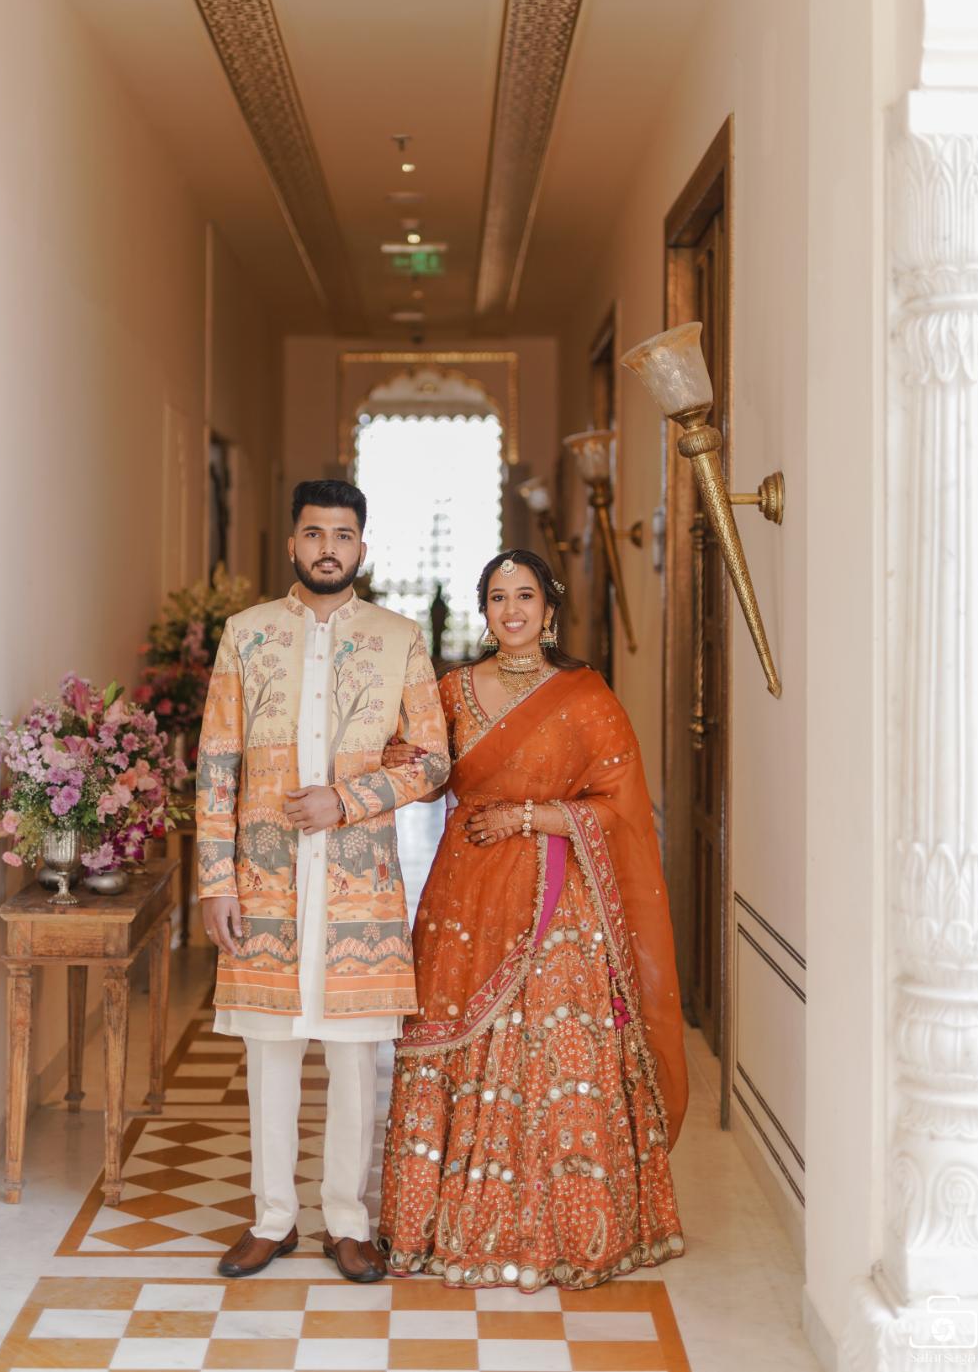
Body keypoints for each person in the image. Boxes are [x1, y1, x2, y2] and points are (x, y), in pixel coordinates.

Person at [379, 548, 687, 1291]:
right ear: (484, 610)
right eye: (497, 596)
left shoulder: (586, 695)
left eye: (524, 595)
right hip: (465, 892)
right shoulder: (451, 690)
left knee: (555, 1044)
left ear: (549, 608)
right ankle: (440, 1225)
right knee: (454, 1037)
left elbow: (619, 806)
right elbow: (425, 774)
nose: (511, 609)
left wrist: (530, 816)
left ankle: (566, 1228)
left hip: (558, 895)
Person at [196, 479, 450, 1283]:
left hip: (357, 884)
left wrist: (347, 799)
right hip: (264, 878)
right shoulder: (246, 634)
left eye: (342, 535)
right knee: (269, 1053)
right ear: (293, 544)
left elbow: (435, 762)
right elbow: (216, 762)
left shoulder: (398, 638)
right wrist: (215, 879)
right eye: (314, 534)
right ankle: (273, 1218)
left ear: (361, 548)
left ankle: (347, 1220)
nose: (328, 548)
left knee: (353, 1058)